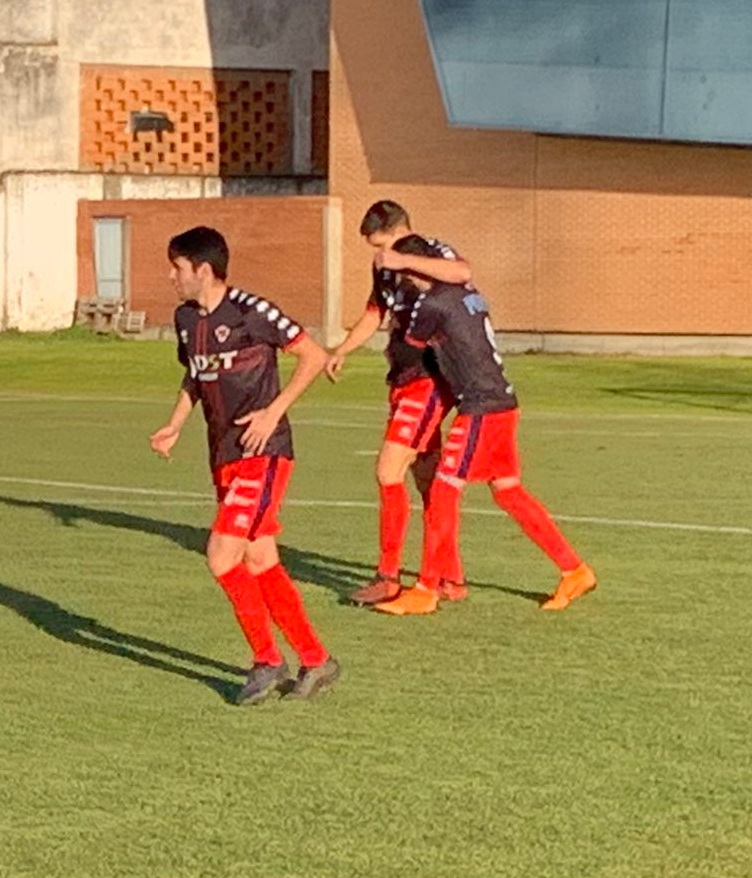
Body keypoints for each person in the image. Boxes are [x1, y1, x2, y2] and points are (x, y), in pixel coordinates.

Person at [150, 226, 340, 705]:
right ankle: (317, 660)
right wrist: (174, 423)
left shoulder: (253, 313)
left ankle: (266, 660)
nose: (171, 276)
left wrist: (274, 410)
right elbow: (195, 376)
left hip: (265, 451)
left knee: (220, 556)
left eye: (177, 268)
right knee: (260, 559)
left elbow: (312, 357)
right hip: (224, 456)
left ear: (203, 270)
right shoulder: (185, 319)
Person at [372, 237, 596, 615]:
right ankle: (574, 569)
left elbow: (412, 344)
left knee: (444, 489)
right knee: (508, 492)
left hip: (480, 406)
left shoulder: (432, 304)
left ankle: (427, 589)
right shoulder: (468, 294)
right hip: (504, 401)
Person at [324, 199, 476, 606]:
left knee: (388, 471)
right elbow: (376, 312)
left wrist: (406, 259)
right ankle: (452, 576)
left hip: (428, 378)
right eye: (376, 248)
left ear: (400, 230)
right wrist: (343, 348)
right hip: (401, 379)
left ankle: (388, 575)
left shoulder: (429, 250)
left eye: (385, 243)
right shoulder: (384, 266)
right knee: (429, 482)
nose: (381, 254)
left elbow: (462, 273)